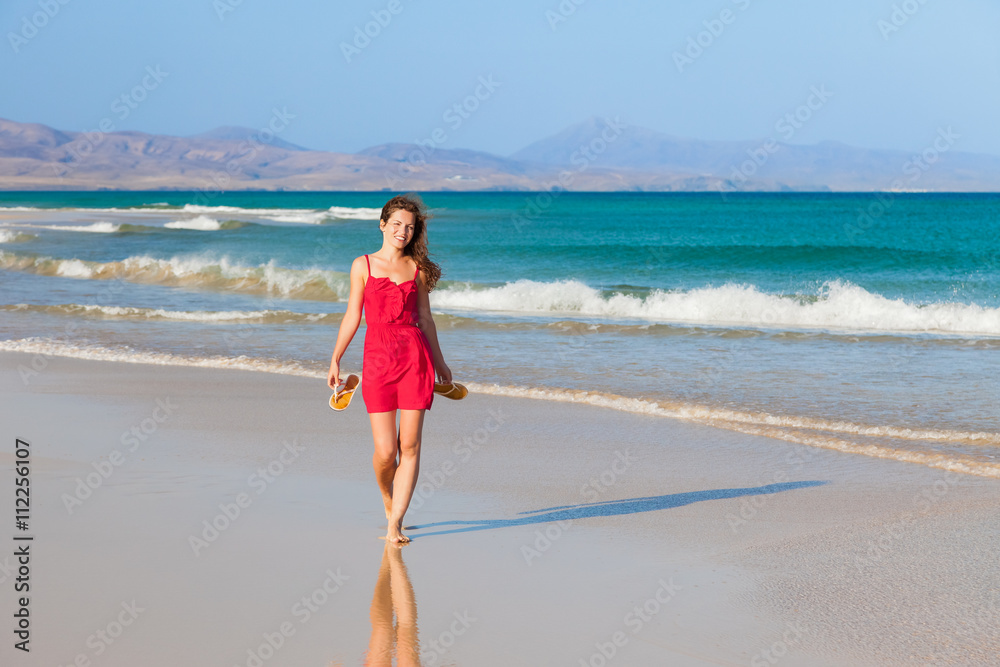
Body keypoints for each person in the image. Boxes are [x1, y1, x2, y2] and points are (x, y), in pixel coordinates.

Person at [328, 194, 452, 544]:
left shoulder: (418, 270)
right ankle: (388, 495)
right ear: (382, 224)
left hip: (415, 359)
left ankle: (395, 522)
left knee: (409, 445)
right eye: (397, 224)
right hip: (378, 360)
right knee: (386, 453)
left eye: (410, 227)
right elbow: (353, 315)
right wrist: (336, 357)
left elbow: (425, 319)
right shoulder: (362, 265)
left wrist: (439, 361)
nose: (403, 231)